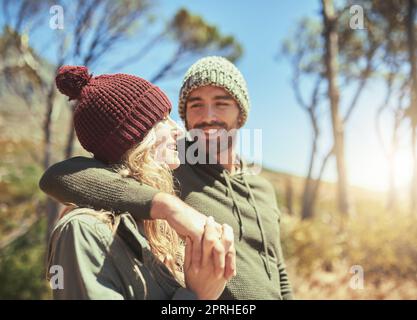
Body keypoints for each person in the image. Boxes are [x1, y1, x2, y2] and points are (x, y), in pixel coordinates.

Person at [40, 57, 293, 300]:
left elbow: (276, 265)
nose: (208, 116)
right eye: (195, 105)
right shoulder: (176, 160)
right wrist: (168, 206)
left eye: (221, 103)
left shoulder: (262, 187)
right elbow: (60, 176)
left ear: (241, 112)